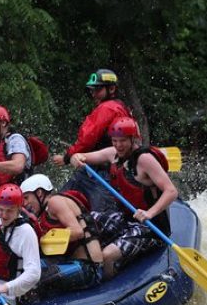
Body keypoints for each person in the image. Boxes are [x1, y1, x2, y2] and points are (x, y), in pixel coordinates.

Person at [70, 116, 178, 278]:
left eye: (123, 141)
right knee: (85, 219)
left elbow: (171, 191)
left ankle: (109, 283)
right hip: (126, 218)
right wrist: (76, 157)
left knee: (106, 255)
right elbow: (82, 156)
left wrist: (149, 213)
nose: (118, 145)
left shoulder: (144, 159)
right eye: (114, 140)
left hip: (150, 226)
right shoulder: (112, 154)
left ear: (133, 139)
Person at [53, 69, 132, 211]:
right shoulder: (122, 107)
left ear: (112, 88)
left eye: (98, 89)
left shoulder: (107, 108)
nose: (93, 94)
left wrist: (67, 157)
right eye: (92, 90)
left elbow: (87, 138)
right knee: (61, 203)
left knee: (60, 205)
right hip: (99, 170)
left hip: (101, 174)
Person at [20, 174, 104, 295]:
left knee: (35, 280)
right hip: (71, 263)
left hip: (89, 268)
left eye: (26, 197)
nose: (24, 203)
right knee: (25, 267)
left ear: (39, 193)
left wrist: (45, 239)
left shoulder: (55, 202)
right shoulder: (44, 215)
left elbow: (77, 232)